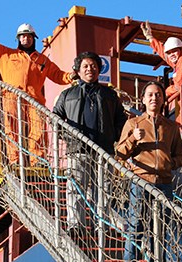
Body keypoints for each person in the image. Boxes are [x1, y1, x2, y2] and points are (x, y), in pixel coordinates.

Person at [0, 17, 74, 166]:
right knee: (12, 129)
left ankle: (38, 160)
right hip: (11, 98)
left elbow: (58, 75)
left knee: (38, 129)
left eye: (29, 36)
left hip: (34, 100)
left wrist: (71, 76)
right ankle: (15, 161)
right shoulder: (6, 54)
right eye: (23, 36)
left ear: (34, 38)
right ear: (18, 39)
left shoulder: (42, 60)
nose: (26, 38)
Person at [115, 81, 182, 262]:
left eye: (158, 95)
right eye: (150, 95)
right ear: (143, 99)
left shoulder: (171, 127)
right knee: (136, 224)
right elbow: (119, 153)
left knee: (161, 228)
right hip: (140, 182)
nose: (154, 98)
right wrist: (133, 139)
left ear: (163, 100)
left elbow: (180, 155)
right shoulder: (133, 123)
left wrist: (170, 163)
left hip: (164, 183)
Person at [53, 51, 127, 232]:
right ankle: (76, 224)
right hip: (78, 150)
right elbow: (55, 118)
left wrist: (114, 136)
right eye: (85, 66)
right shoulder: (67, 94)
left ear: (99, 69)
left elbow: (121, 120)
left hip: (104, 150)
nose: (89, 69)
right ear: (77, 70)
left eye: (93, 66)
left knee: (104, 190)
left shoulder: (109, 95)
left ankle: (102, 224)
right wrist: (68, 136)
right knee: (75, 187)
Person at [140, 21, 182, 121]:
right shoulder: (178, 62)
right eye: (169, 52)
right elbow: (164, 55)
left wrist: (163, 94)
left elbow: (179, 86)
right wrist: (150, 38)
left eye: (174, 51)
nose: (171, 54)